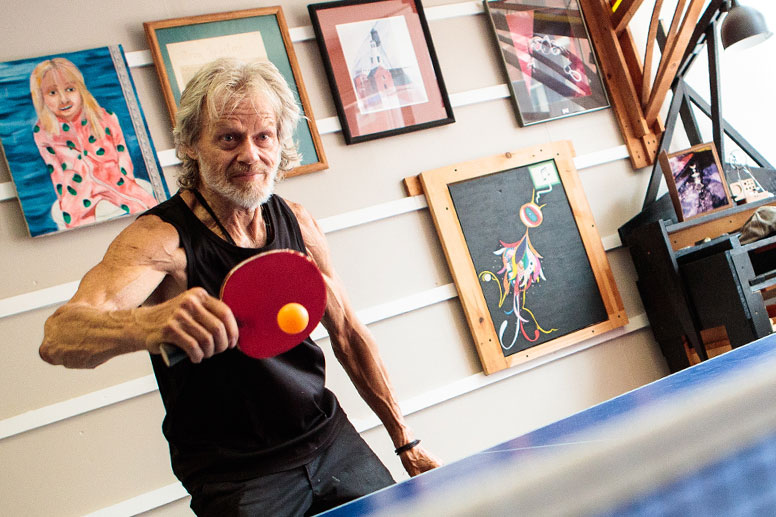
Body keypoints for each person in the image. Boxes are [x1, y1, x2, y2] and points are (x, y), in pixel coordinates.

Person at [38, 57, 440, 516]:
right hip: (238, 477)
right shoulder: (161, 239)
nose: (250, 155)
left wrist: (404, 440)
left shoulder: (298, 223)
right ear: (191, 144)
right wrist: (147, 323)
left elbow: (347, 332)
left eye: (263, 136)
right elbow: (58, 338)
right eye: (229, 138)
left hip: (331, 442)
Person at [29, 57, 157, 229]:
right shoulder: (43, 132)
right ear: (41, 97)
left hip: (115, 179)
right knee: (75, 226)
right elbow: (56, 171)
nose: (64, 99)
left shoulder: (104, 117)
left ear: (80, 89)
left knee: (147, 206)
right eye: (52, 93)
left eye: (70, 89)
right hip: (77, 189)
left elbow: (122, 154)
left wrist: (127, 180)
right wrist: (65, 199)